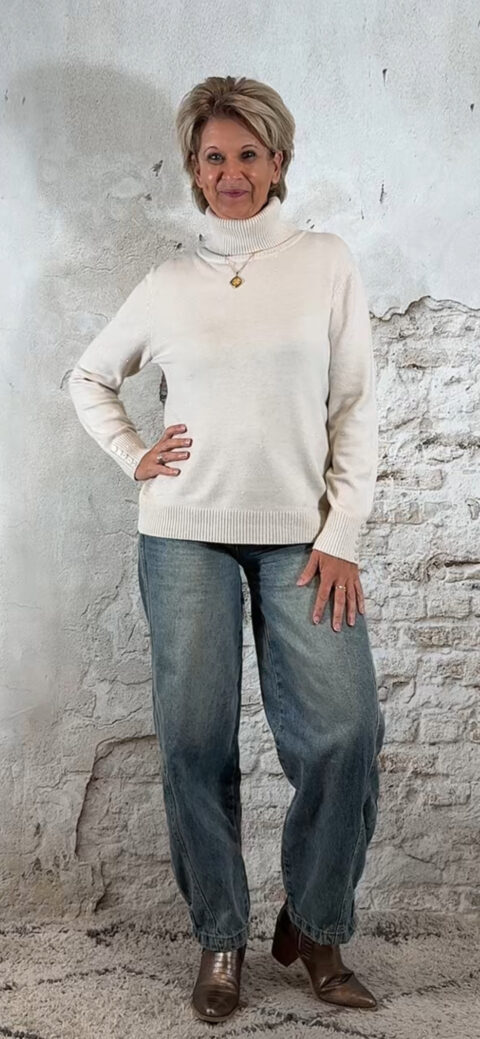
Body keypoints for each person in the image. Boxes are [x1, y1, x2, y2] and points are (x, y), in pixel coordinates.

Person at [68, 74, 386, 1024]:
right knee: (195, 744)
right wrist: (135, 452)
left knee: (345, 732)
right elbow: (89, 377)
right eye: (215, 157)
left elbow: (355, 406)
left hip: (303, 539)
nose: (232, 171)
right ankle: (221, 934)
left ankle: (316, 925)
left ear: (278, 161)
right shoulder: (167, 284)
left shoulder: (324, 262)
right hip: (182, 537)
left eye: (249, 153)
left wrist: (342, 532)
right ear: (194, 170)